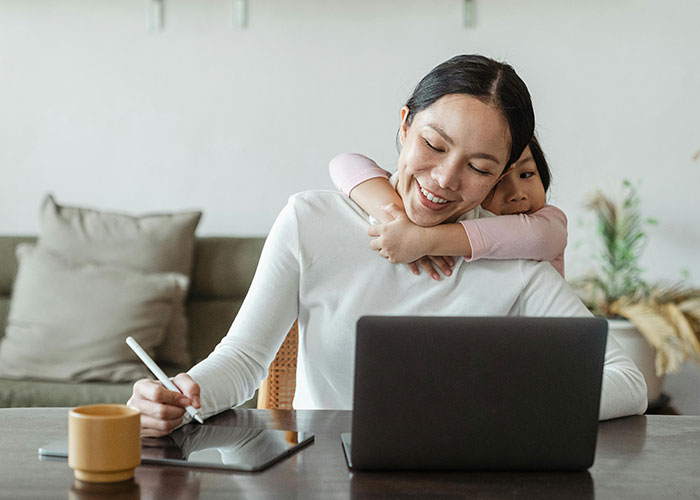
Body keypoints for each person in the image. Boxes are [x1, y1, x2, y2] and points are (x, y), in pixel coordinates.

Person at [128, 54, 647, 437]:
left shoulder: (512, 259)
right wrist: (179, 394)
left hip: (465, 481)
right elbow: (243, 361)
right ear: (404, 126)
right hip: (323, 477)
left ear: (501, 177)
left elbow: (627, 381)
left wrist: (512, 402)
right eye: (434, 145)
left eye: (480, 167)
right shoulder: (312, 221)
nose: (444, 179)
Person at [328, 136, 567, 279]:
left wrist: (424, 239)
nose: (517, 195)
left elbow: (537, 237)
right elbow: (345, 163)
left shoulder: (549, 222)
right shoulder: (457, 214)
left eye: (527, 174)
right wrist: (399, 222)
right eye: (496, 183)